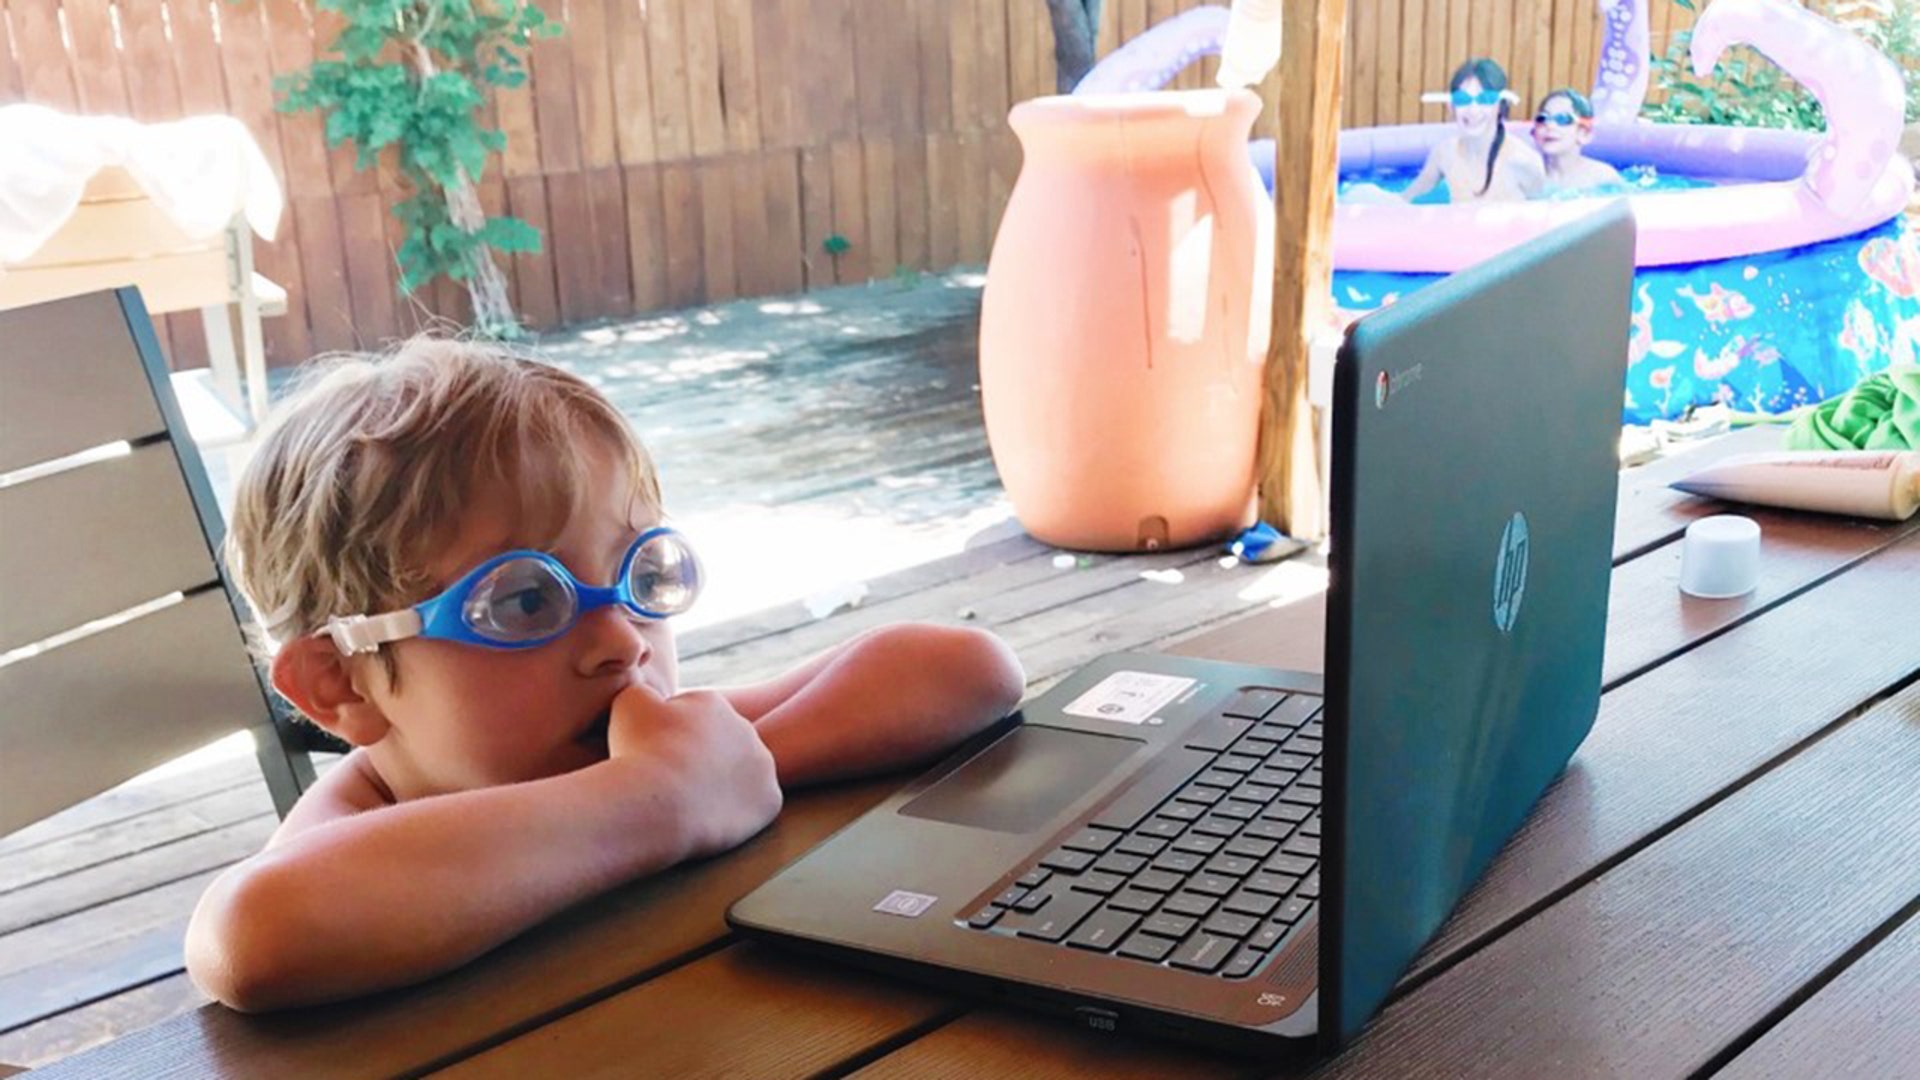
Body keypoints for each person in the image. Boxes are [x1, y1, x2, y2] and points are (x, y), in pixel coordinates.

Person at [184, 339, 1026, 1012]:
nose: (622, 639)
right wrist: (663, 802)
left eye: (643, 574)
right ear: (342, 684)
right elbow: (254, 936)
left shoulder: (650, 748)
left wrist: (719, 773)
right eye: (522, 602)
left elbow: (962, 668)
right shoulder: (354, 827)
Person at [1402, 58, 1545, 204]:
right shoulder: (1445, 154)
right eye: (1462, 99)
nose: (1473, 110)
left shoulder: (1523, 161)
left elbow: (1545, 215)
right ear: (1451, 106)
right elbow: (1405, 199)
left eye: (1485, 99)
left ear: (1501, 106)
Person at [1531, 87, 1626, 194]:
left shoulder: (1602, 177)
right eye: (1542, 118)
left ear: (1584, 134)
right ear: (1534, 133)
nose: (1549, 125)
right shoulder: (1527, 176)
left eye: (1563, 119)